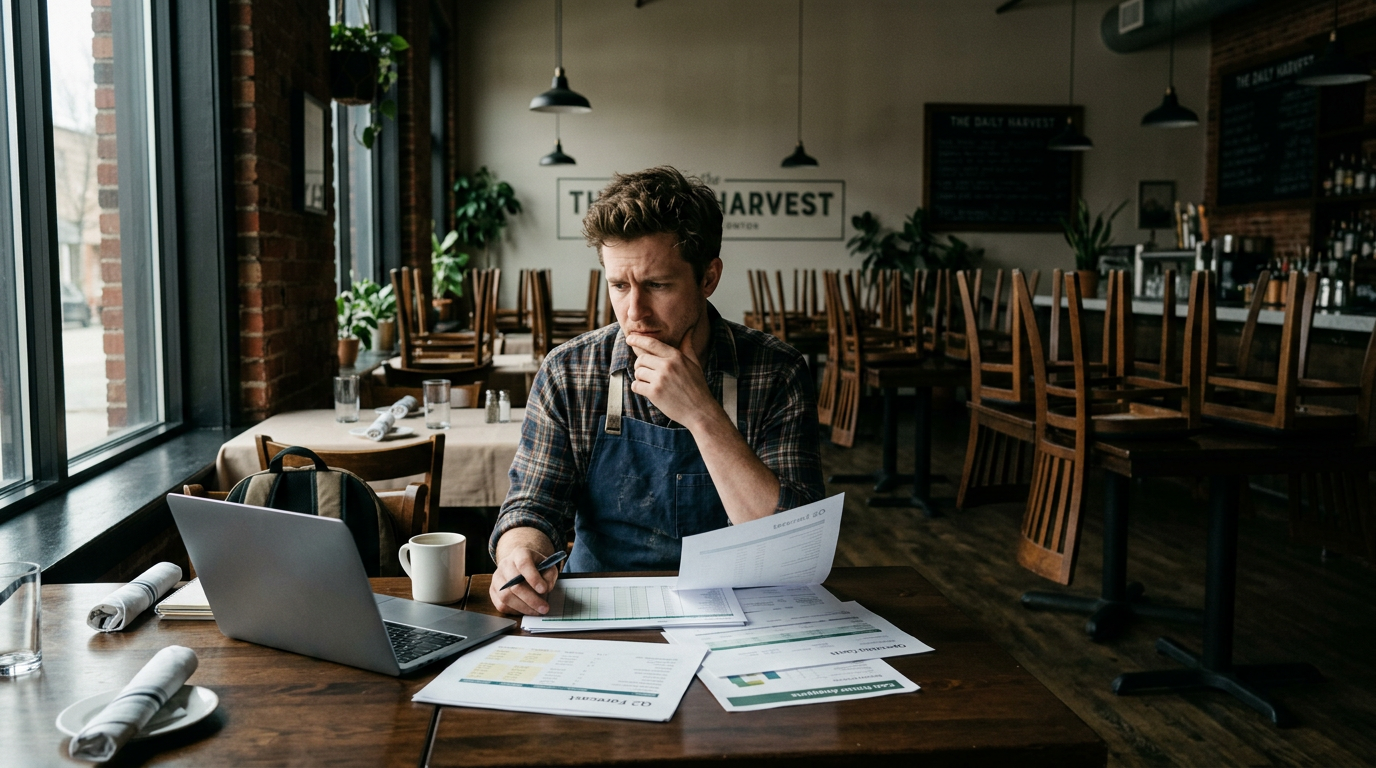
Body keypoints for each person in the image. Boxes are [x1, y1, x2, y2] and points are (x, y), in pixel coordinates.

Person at [488, 166, 825, 615]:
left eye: (657, 285)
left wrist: (702, 414)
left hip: (745, 611)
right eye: (619, 286)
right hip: (601, 610)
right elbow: (533, 505)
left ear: (708, 278)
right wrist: (520, 555)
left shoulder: (776, 371)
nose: (635, 312)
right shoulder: (568, 371)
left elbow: (792, 544)